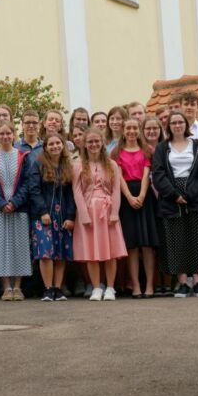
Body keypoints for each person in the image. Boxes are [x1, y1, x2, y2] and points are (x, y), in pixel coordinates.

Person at [153, 112, 198, 298]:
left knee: (197, 238)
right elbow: (158, 173)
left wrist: (190, 193)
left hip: (193, 195)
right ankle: (182, 283)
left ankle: (197, 282)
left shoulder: (196, 145)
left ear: (185, 125)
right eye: (173, 122)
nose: (177, 125)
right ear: (168, 126)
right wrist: (174, 194)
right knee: (175, 240)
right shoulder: (162, 148)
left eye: (180, 122)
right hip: (171, 197)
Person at [0, 121, 36, 301]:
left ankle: (18, 287)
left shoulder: (23, 156)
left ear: (14, 134)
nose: (5, 137)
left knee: (19, 247)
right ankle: (6, 287)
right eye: (1, 134)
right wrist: (1, 204)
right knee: (0, 248)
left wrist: (14, 203)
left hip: (18, 209)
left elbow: (27, 184)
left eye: (8, 133)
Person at [73, 128, 127, 301]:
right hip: (88, 212)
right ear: (84, 144)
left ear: (102, 143)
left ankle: (110, 287)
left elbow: (116, 190)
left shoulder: (111, 165)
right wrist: (83, 215)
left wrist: (114, 213)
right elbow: (77, 191)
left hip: (107, 211)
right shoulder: (79, 166)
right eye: (90, 142)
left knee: (110, 251)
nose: (94, 144)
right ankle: (96, 287)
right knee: (92, 252)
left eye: (97, 141)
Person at [111, 119, 157, 298]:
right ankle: (136, 286)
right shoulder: (116, 152)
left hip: (145, 197)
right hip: (126, 196)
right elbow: (119, 177)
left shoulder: (147, 150)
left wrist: (142, 196)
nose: (131, 131)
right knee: (132, 245)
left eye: (134, 128)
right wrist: (129, 197)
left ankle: (150, 286)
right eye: (128, 128)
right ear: (123, 130)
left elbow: (147, 174)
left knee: (147, 245)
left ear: (139, 130)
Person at [29, 132, 76, 301]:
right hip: (43, 216)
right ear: (46, 147)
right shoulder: (38, 164)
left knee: (61, 252)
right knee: (45, 252)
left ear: (63, 145)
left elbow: (72, 194)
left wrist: (71, 216)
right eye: (51, 144)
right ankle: (48, 288)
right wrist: (43, 212)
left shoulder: (68, 166)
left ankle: (58, 287)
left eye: (58, 143)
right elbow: (33, 190)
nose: (55, 146)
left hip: (62, 216)